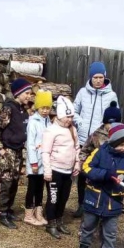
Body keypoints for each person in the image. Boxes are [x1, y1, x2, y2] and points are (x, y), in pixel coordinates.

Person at [73, 62, 120, 218]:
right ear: (90, 77)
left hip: (100, 142)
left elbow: (115, 117)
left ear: (104, 77)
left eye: (101, 77)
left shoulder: (111, 95)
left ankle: (96, 203)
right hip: (82, 139)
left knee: (97, 173)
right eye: (95, 77)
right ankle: (81, 204)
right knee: (82, 174)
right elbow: (74, 110)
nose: (98, 80)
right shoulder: (82, 93)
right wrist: (80, 123)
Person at [0, 78, 34, 229]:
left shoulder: (23, 111)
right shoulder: (8, 109)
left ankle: (9, 209)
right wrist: (1, 149)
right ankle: (2, 214)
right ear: (18, 93)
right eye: (27, 93)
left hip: (18, 151)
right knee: (6, 182)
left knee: (15, 182)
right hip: (8, 151)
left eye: (30, 93)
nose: (29, 96)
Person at [41, 96, 80, 239]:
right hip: (55, 170)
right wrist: (47, 171)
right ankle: (50, 223)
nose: (69, 120)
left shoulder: (72, 130)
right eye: (66, 116)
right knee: (53, 198)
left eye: (71, 116)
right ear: (59, 115)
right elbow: (45, 152)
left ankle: (59, 220)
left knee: (63, 197)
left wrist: (77, 163)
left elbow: (77, 147)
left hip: (67, 171)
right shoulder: (51, 131)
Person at [25, 90, 52, 226]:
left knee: (40, 189)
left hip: (44, 162)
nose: (45, 111)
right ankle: (29, 214)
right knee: (32, 188)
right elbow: (30, 144)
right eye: (43, 108)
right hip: (35, 162)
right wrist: (34, 162)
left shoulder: (48, 122)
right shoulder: (33, 122)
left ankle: (38, 212)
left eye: (48, 108)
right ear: (37, 107)